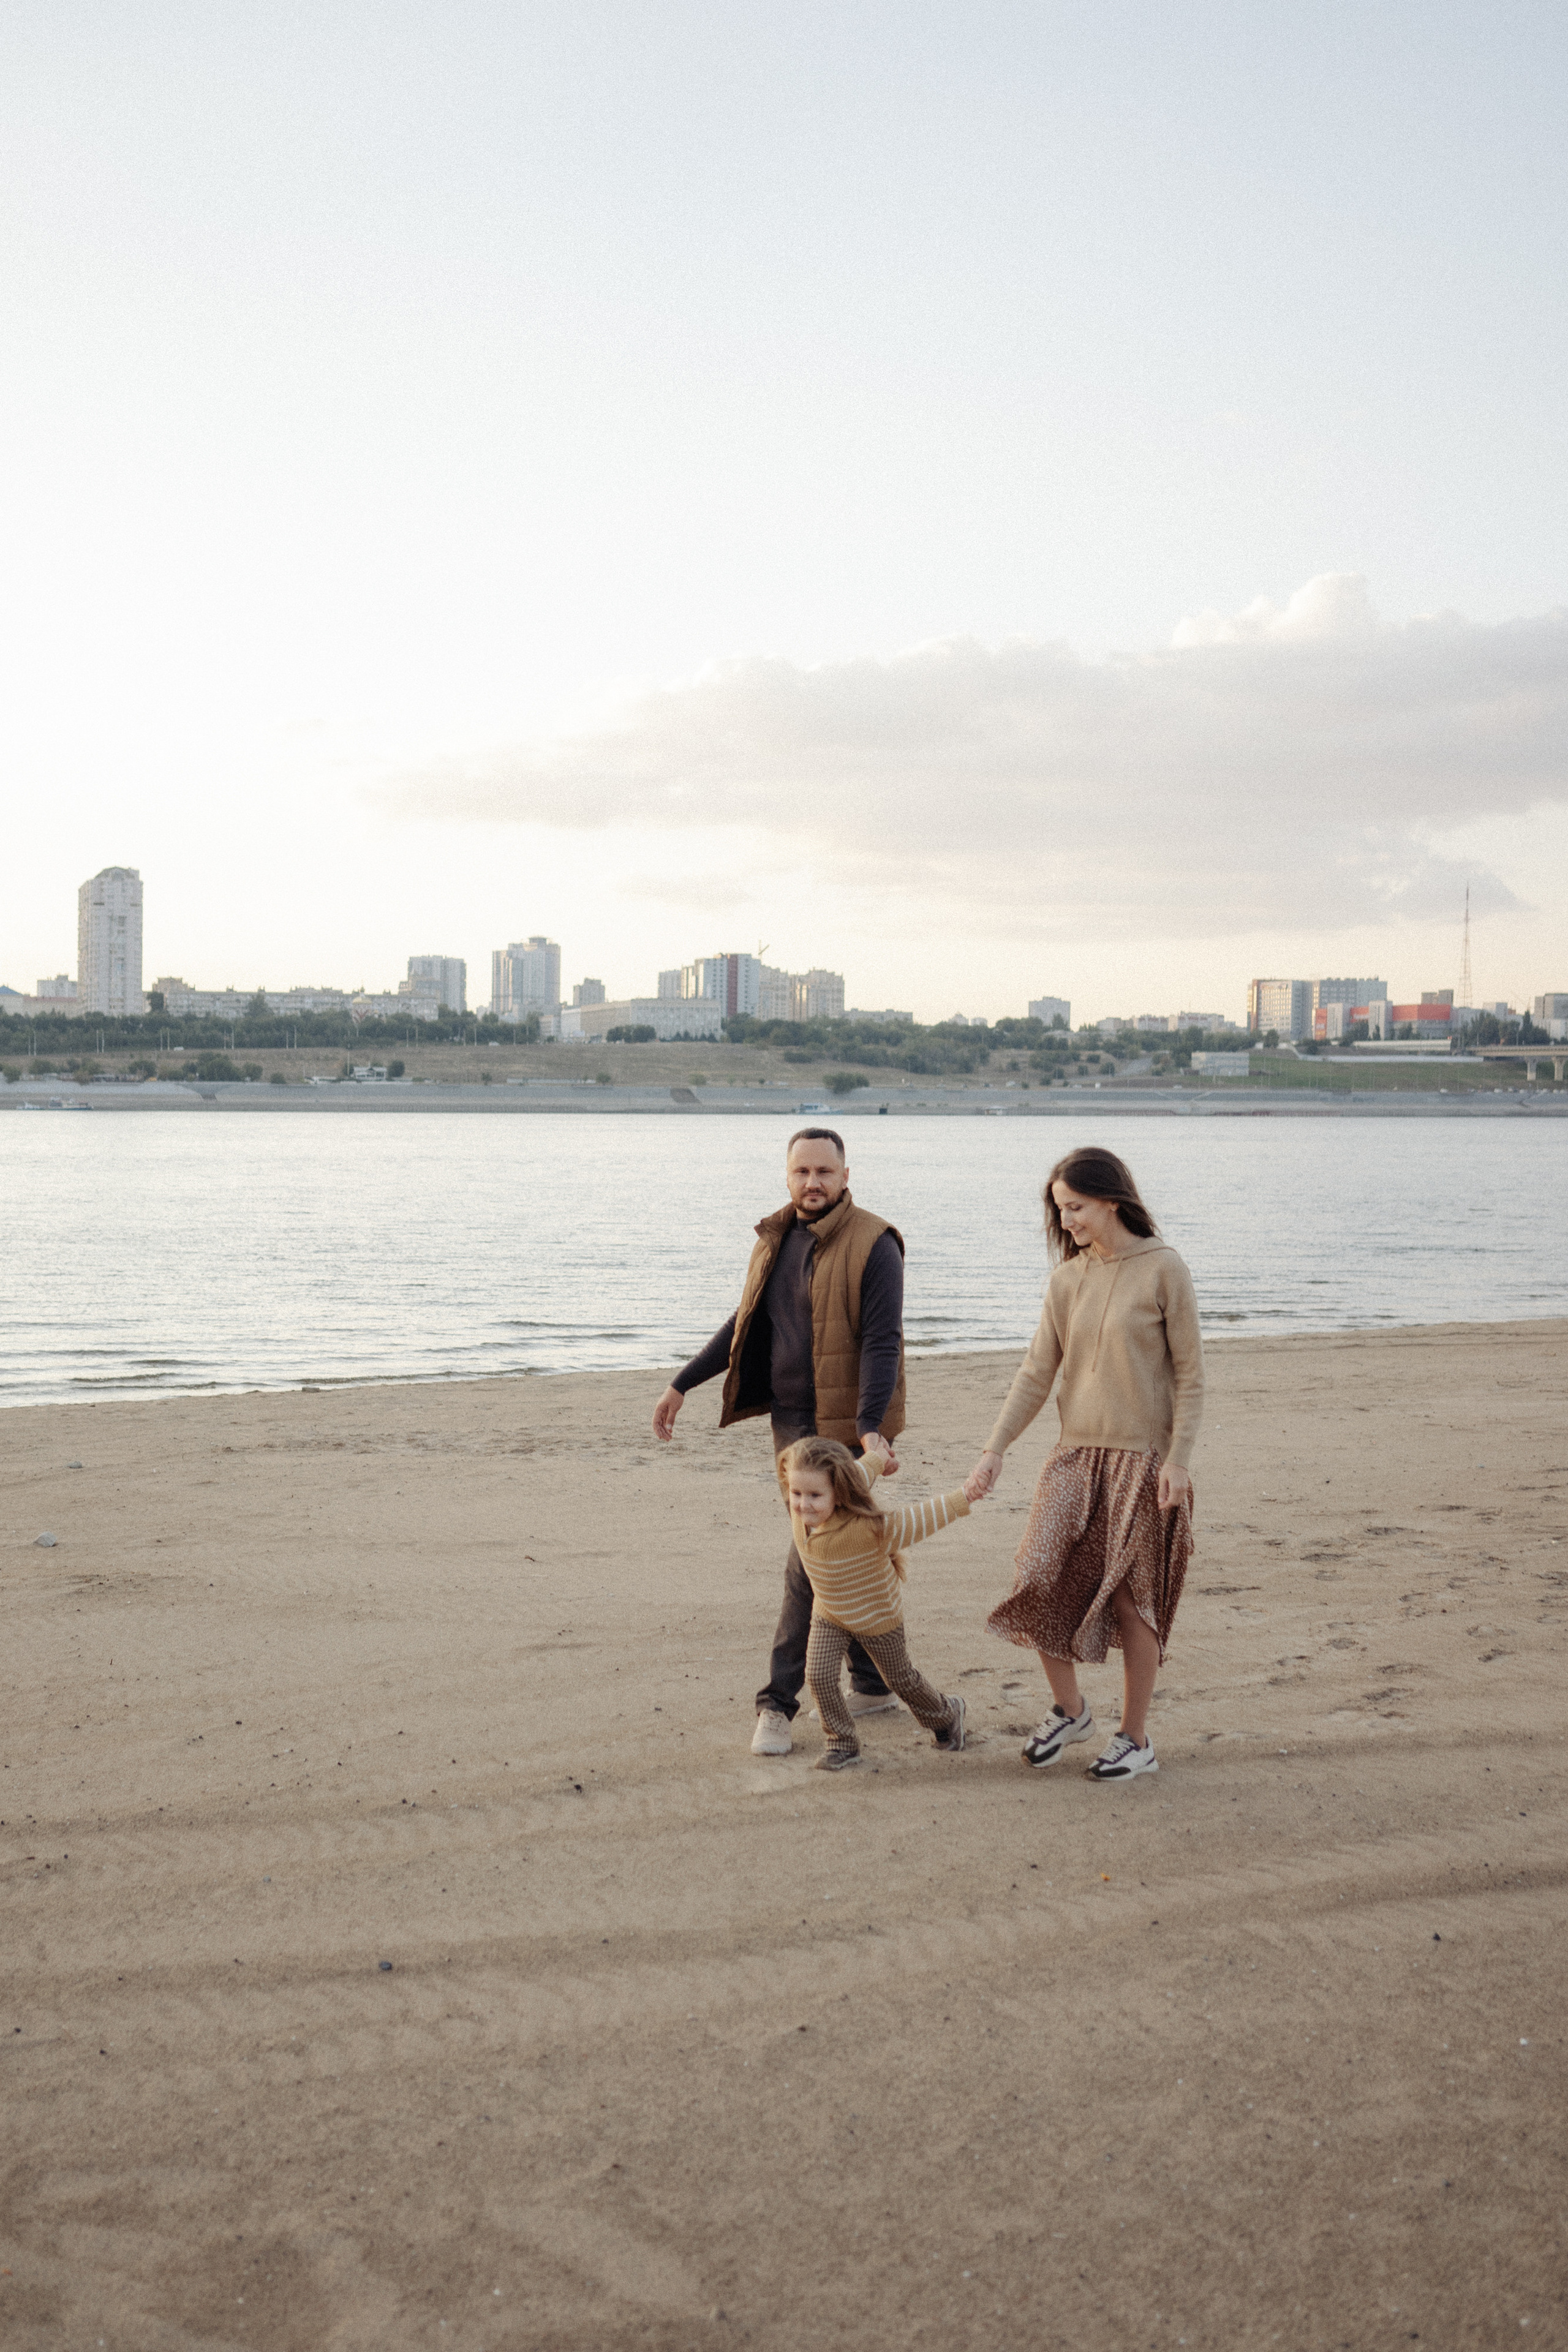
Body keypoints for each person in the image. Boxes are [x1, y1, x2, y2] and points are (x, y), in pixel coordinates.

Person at [652, 1127, 908, 1755]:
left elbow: (882, 1341)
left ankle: (777, 1705)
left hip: (848, 1427)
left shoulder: (875, 1245)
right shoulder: (775, 1240)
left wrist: (871, 1426)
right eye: (801, 1172)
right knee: (838, 1553)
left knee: (811, 1559)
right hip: (791, 1426)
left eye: (825, 1172)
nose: (812, 1183)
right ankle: (873, 1682)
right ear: (787, 1177)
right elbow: (745, 1322)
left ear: (846, 1176)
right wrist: (683, 1383)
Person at [966, 1146, 1203, 1781]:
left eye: (1074, 1207)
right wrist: (994, 1450)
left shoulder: (1163, 1269)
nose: (1065, 1220)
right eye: (1059, 1209)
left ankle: (1134, 1739)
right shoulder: (1067, 1279)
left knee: (1132, 1603)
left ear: (1112, 1200)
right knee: (1038, 1576)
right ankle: (1071, 1711)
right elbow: (1036, 1372)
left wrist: (1178, 1461)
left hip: (1142, 1463)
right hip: (1075, 1456)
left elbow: (1190, 1378)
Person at [782, 1434, 981, 1771]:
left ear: (838, 1493)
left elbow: (920, 1518)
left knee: (900, 1679)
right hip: (830, 1612)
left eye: (815, 1495)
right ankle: (842, 1743)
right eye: (796, 1493)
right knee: (818, 1675)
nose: (804, 1505)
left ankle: (948, 1714)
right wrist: (876, 1457)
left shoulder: (869, 1528)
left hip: (877, 1616)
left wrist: (965, 1496)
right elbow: (859, 1473)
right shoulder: (803, 1513)